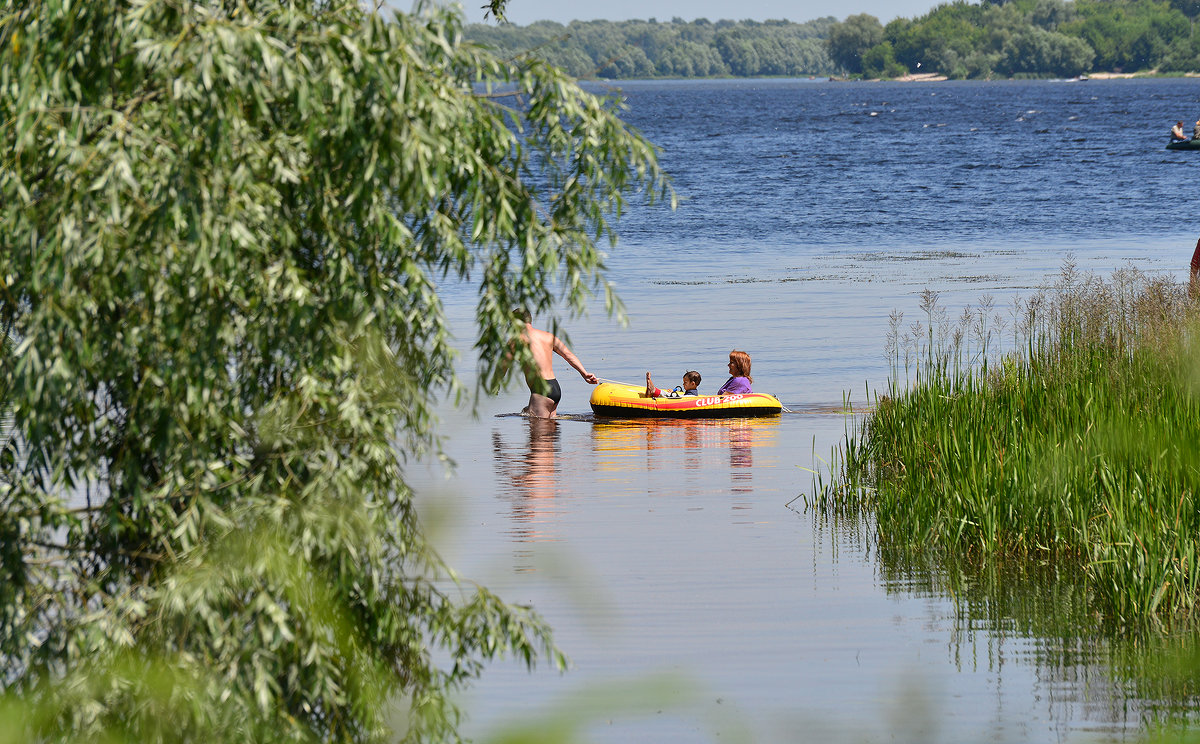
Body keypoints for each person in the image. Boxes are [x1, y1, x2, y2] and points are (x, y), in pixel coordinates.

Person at [514, 308, 598, 418]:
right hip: (555, 387)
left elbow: (503, 365)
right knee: (549, 431)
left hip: (541, 390)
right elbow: (568, 355)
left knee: (537, 430)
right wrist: (584, 374)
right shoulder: (548, 336)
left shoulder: (517, 340)